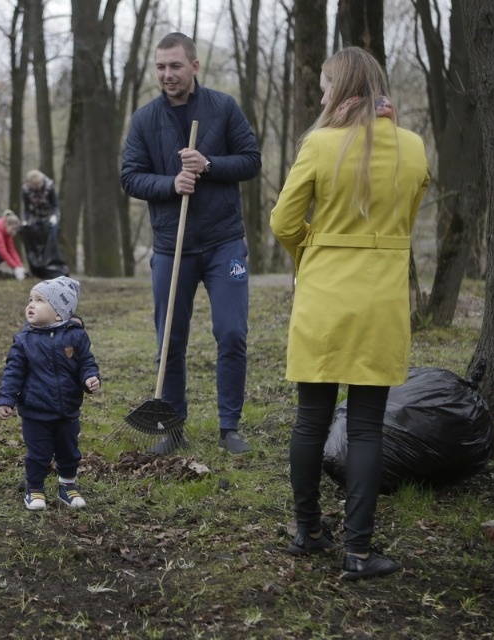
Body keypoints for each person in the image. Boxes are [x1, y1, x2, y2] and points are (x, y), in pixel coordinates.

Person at [270, 47, 429, 580]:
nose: (320, 96)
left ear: (339, 90)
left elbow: (283, 223)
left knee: (311, 419)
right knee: (365, 428)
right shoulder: (412, 147)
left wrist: (312, 255)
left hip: (323, 298)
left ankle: (309, 531)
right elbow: (404, 222)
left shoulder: (318, 144)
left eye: (324, 87)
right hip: (381, 302)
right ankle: (359, 553)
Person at [120, 32, 261, 455]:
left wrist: (209, 164)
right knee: (170, 339)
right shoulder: (145, 119)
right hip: (171, 244)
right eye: (160, 67)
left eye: (175, 66)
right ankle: (172, 426)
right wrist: (170, 183)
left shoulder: (223, 107)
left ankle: (229, 426)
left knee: (232, 332)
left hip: (223, 242)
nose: (167, 74)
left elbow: (252, 160)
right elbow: (130, 176)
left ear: (194, 66)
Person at [0, 276, 101, 511]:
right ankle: (34, 489)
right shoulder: (24, 341)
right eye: (30, 299)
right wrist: (6, 399)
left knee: (69, 451)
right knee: (38, 453)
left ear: (58, 313)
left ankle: (67, 485)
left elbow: (86, 364)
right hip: (35, 411)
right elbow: (13, 372)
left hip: (67, 410)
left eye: (40, 300)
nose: (31, 305)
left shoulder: (76, 336)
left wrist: (90, 379)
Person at [21, 169, 60, 240]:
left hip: (49, 217)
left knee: (51, 238)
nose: (37, 187)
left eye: (38, 184)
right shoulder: (26, 190)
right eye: (34, 186)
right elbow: (26, 208)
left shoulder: (49, 186)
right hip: (34, 218)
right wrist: (25, 220)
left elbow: (54, 205)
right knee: (33, 239)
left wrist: (54, 216)